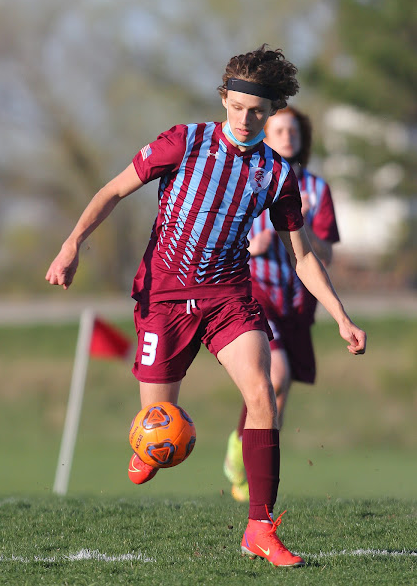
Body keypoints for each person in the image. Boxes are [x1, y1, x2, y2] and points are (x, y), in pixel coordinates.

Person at [46, 44, 366, 569]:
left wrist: (342, 316)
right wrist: (71, 244)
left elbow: (302, 254)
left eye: (258, 111)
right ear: (224, 100)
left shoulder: (278, 175)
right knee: (159, 420)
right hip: (163, 298)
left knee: (262, 393)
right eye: (237, 107)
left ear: (273, 112)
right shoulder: (184, 142)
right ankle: (151, 437)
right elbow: (113, 190)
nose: (246, 119)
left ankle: (260, 526)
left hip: (228, 297)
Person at [224, 105, 341, 502]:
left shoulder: (317, 190)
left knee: (280, 387)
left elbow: (325, 252)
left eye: (293, 131)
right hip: (257, 294)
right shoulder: (252, 178)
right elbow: (224, 231)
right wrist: (250, 246)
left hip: (297, 302)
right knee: (276, 376)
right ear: (265, 135)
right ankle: (244, 457)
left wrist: (302, 227)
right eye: (279, 131)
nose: (287, 137)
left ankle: (247, 450)